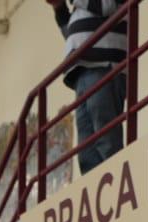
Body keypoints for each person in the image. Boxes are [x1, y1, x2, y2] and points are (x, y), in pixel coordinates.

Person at [49, 0, 128, 173]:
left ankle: (117, 185)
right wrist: (60, 8)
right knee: (87, 151)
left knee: (106, 139)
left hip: (104, 65)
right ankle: (98, 193)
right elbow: (73, 35)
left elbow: (106, 6)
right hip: (83, 70)